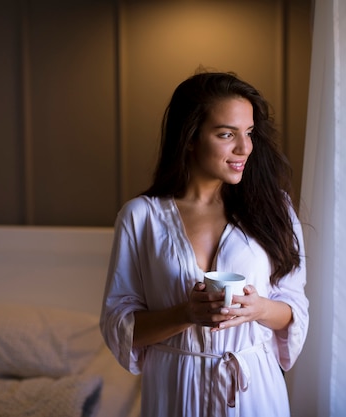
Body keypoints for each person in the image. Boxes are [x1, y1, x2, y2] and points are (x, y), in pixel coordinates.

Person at [100, 71, 309, 416]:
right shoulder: (141, 218)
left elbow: (293, 309)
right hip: (176, 388)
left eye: (249, 133)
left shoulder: (274, 208)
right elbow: (119, 327)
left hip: (253, 388)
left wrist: (259, 310)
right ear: (190, 138)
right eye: (227, 134)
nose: (245, 148)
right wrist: (186, 313)